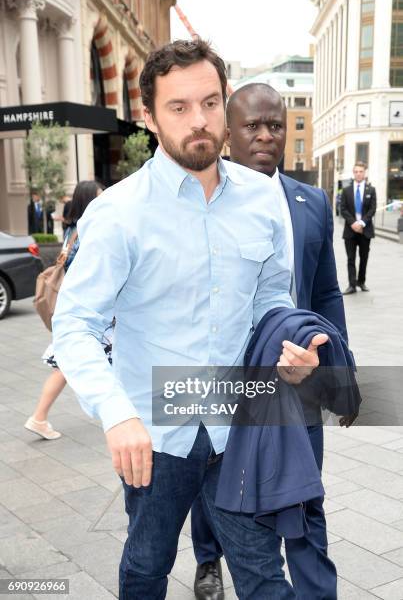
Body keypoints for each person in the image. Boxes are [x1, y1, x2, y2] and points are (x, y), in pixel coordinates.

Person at [51, 40, 328, 600]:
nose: (198, 121)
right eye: (178, 108)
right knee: (147, 565)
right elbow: (75, 325)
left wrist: (289, 350)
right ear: (149, 117)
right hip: (153, 432)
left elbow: (271, 298)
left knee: (262, 574)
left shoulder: (261, 199)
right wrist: (116, 414)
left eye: (209, 103)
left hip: (239, 423)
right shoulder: (119, 212)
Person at [191, 82, 349, 600]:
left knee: (305, 493)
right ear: (228, 134)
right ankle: (209, 560)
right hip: (230, 380)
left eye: (275, 125)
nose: (264, 135)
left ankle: (314, 590)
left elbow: (325, 292)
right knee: (221, 485)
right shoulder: (205, 199)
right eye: (251, 126)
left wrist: (334, 370)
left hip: (299, 375)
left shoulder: (312, 201)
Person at [24, 181, 103, 440]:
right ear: (90, 200)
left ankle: (40, 417)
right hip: (84, 310)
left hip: (75, 308)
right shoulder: (89, 230)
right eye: (99, 196)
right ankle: (39, 417)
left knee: (71, 364)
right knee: (66, 366)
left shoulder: (71, 228)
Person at [340, 162, 377, 294]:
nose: (358, 174)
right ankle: (351, 284)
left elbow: (373, 209)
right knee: (350, 258)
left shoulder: (371, 190)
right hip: (350, 230)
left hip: (365, 230)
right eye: (356, 171)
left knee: (364, 257)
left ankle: (361, 281)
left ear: (365, 172)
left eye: (361, 171)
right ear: (353, 173)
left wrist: (361, 223)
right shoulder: (346, 190)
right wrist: (354, 224)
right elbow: (342, 209)